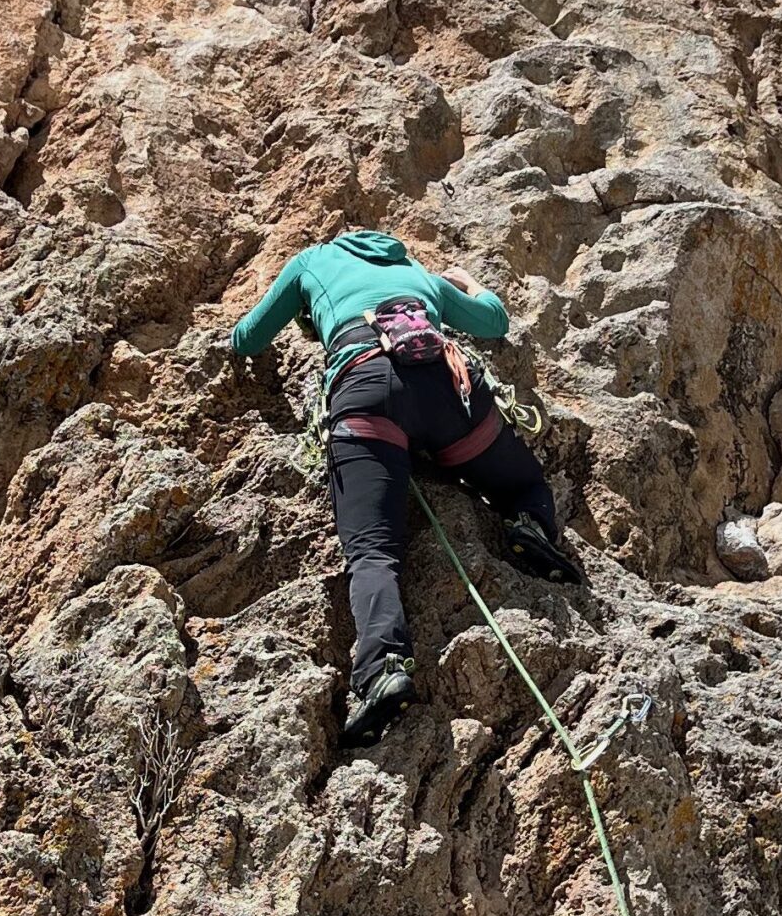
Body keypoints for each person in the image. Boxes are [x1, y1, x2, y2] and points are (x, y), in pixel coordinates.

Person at [230, 226, 582, 746]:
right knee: (524, 483)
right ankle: (530, 522)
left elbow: (249, 338)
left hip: (367, 393)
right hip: (448, 390)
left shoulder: (311, 262)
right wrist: (466, 281)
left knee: (373, 551)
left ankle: (383, 670)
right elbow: (494, 320)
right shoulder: (417, 274)